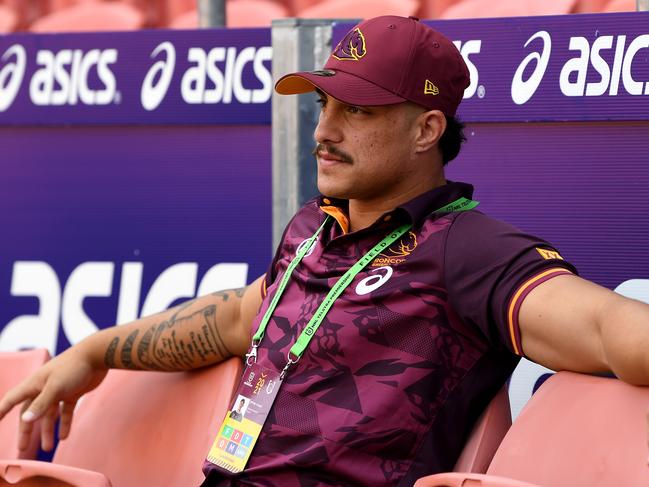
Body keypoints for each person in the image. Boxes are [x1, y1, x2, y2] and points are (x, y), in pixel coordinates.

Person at [0, 14, 648, 487]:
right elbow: (234, 317)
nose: (325, 130)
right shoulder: (313, 227)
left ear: (426, 128)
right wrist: (93, 351)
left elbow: (604, 326)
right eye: (322, 104)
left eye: (358, 112)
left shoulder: (469, 249)